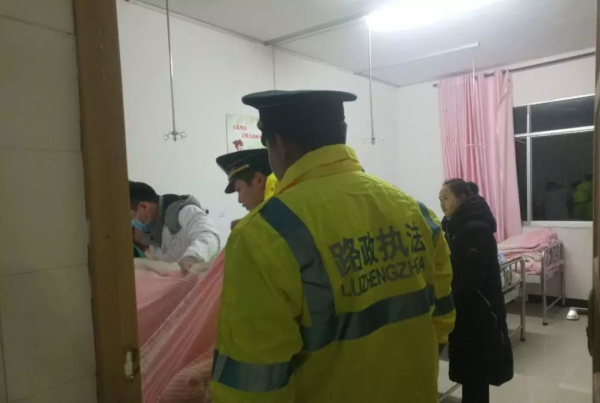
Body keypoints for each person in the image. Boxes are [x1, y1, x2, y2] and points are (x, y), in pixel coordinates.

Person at [211, 90, 455, 403]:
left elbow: (253, 386)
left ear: (280, 145)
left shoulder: (261, 237)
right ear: (341, 134)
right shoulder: (418, 213)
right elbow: (442, 317)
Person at [439, 179, 513, 403]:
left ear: (462, 198)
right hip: (465, 307)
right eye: (440, 199)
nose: (442, 204)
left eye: (446, 198)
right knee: (470, 370)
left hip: (479, 308)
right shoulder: (454, 224)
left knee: (476, 369)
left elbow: (472, 276)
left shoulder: (475, 228)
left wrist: (446, 296)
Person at [129, 181, 220, 271]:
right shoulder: (154, 240)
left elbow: (209, 237)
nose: (132, 223)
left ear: (143, 207)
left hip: (201, 275)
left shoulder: (186, 212)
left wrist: (191, 258)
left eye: (131, 218)